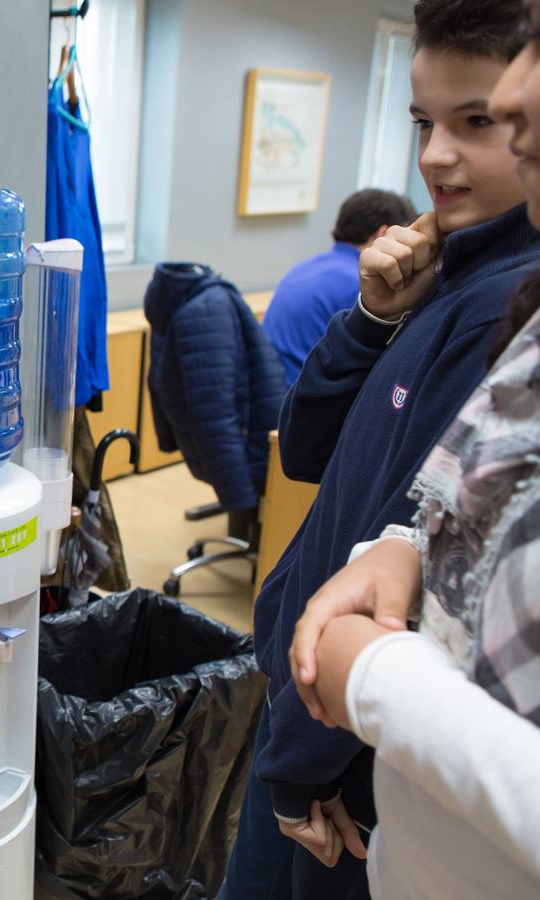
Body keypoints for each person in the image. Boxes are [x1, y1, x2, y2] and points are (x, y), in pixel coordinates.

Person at [222, 2, 539, 898]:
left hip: (341, 760)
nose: (435, 155)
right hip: (306, 706)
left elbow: (397, 593)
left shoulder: (500, 309)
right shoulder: (450, 269)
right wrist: (370, 317)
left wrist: (296, 764)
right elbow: (309, 448)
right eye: (422, 122)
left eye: (475, 122)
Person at [263, 189, 417, 386]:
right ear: (382, 234)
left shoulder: (304, 267)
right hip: (303, 399)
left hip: (273, 392)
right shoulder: (363, 285)